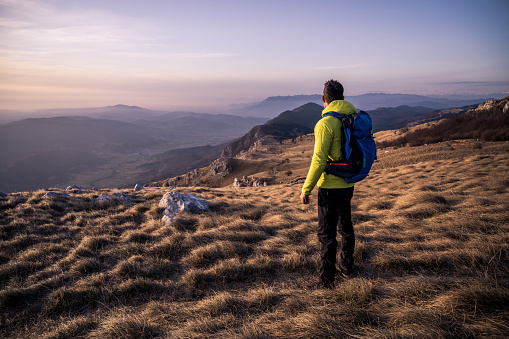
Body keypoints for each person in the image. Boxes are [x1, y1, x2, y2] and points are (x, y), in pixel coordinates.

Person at [301, 79, 356, 289]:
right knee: (346, 225)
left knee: (327, 234)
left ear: (323, 99)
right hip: (348, 182)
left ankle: (326, 282)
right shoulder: (351, 117)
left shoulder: (325, 124)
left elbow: (318, 161)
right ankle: (347, 266)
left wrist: (306, 189)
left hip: (330, 187)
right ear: (342, 98)